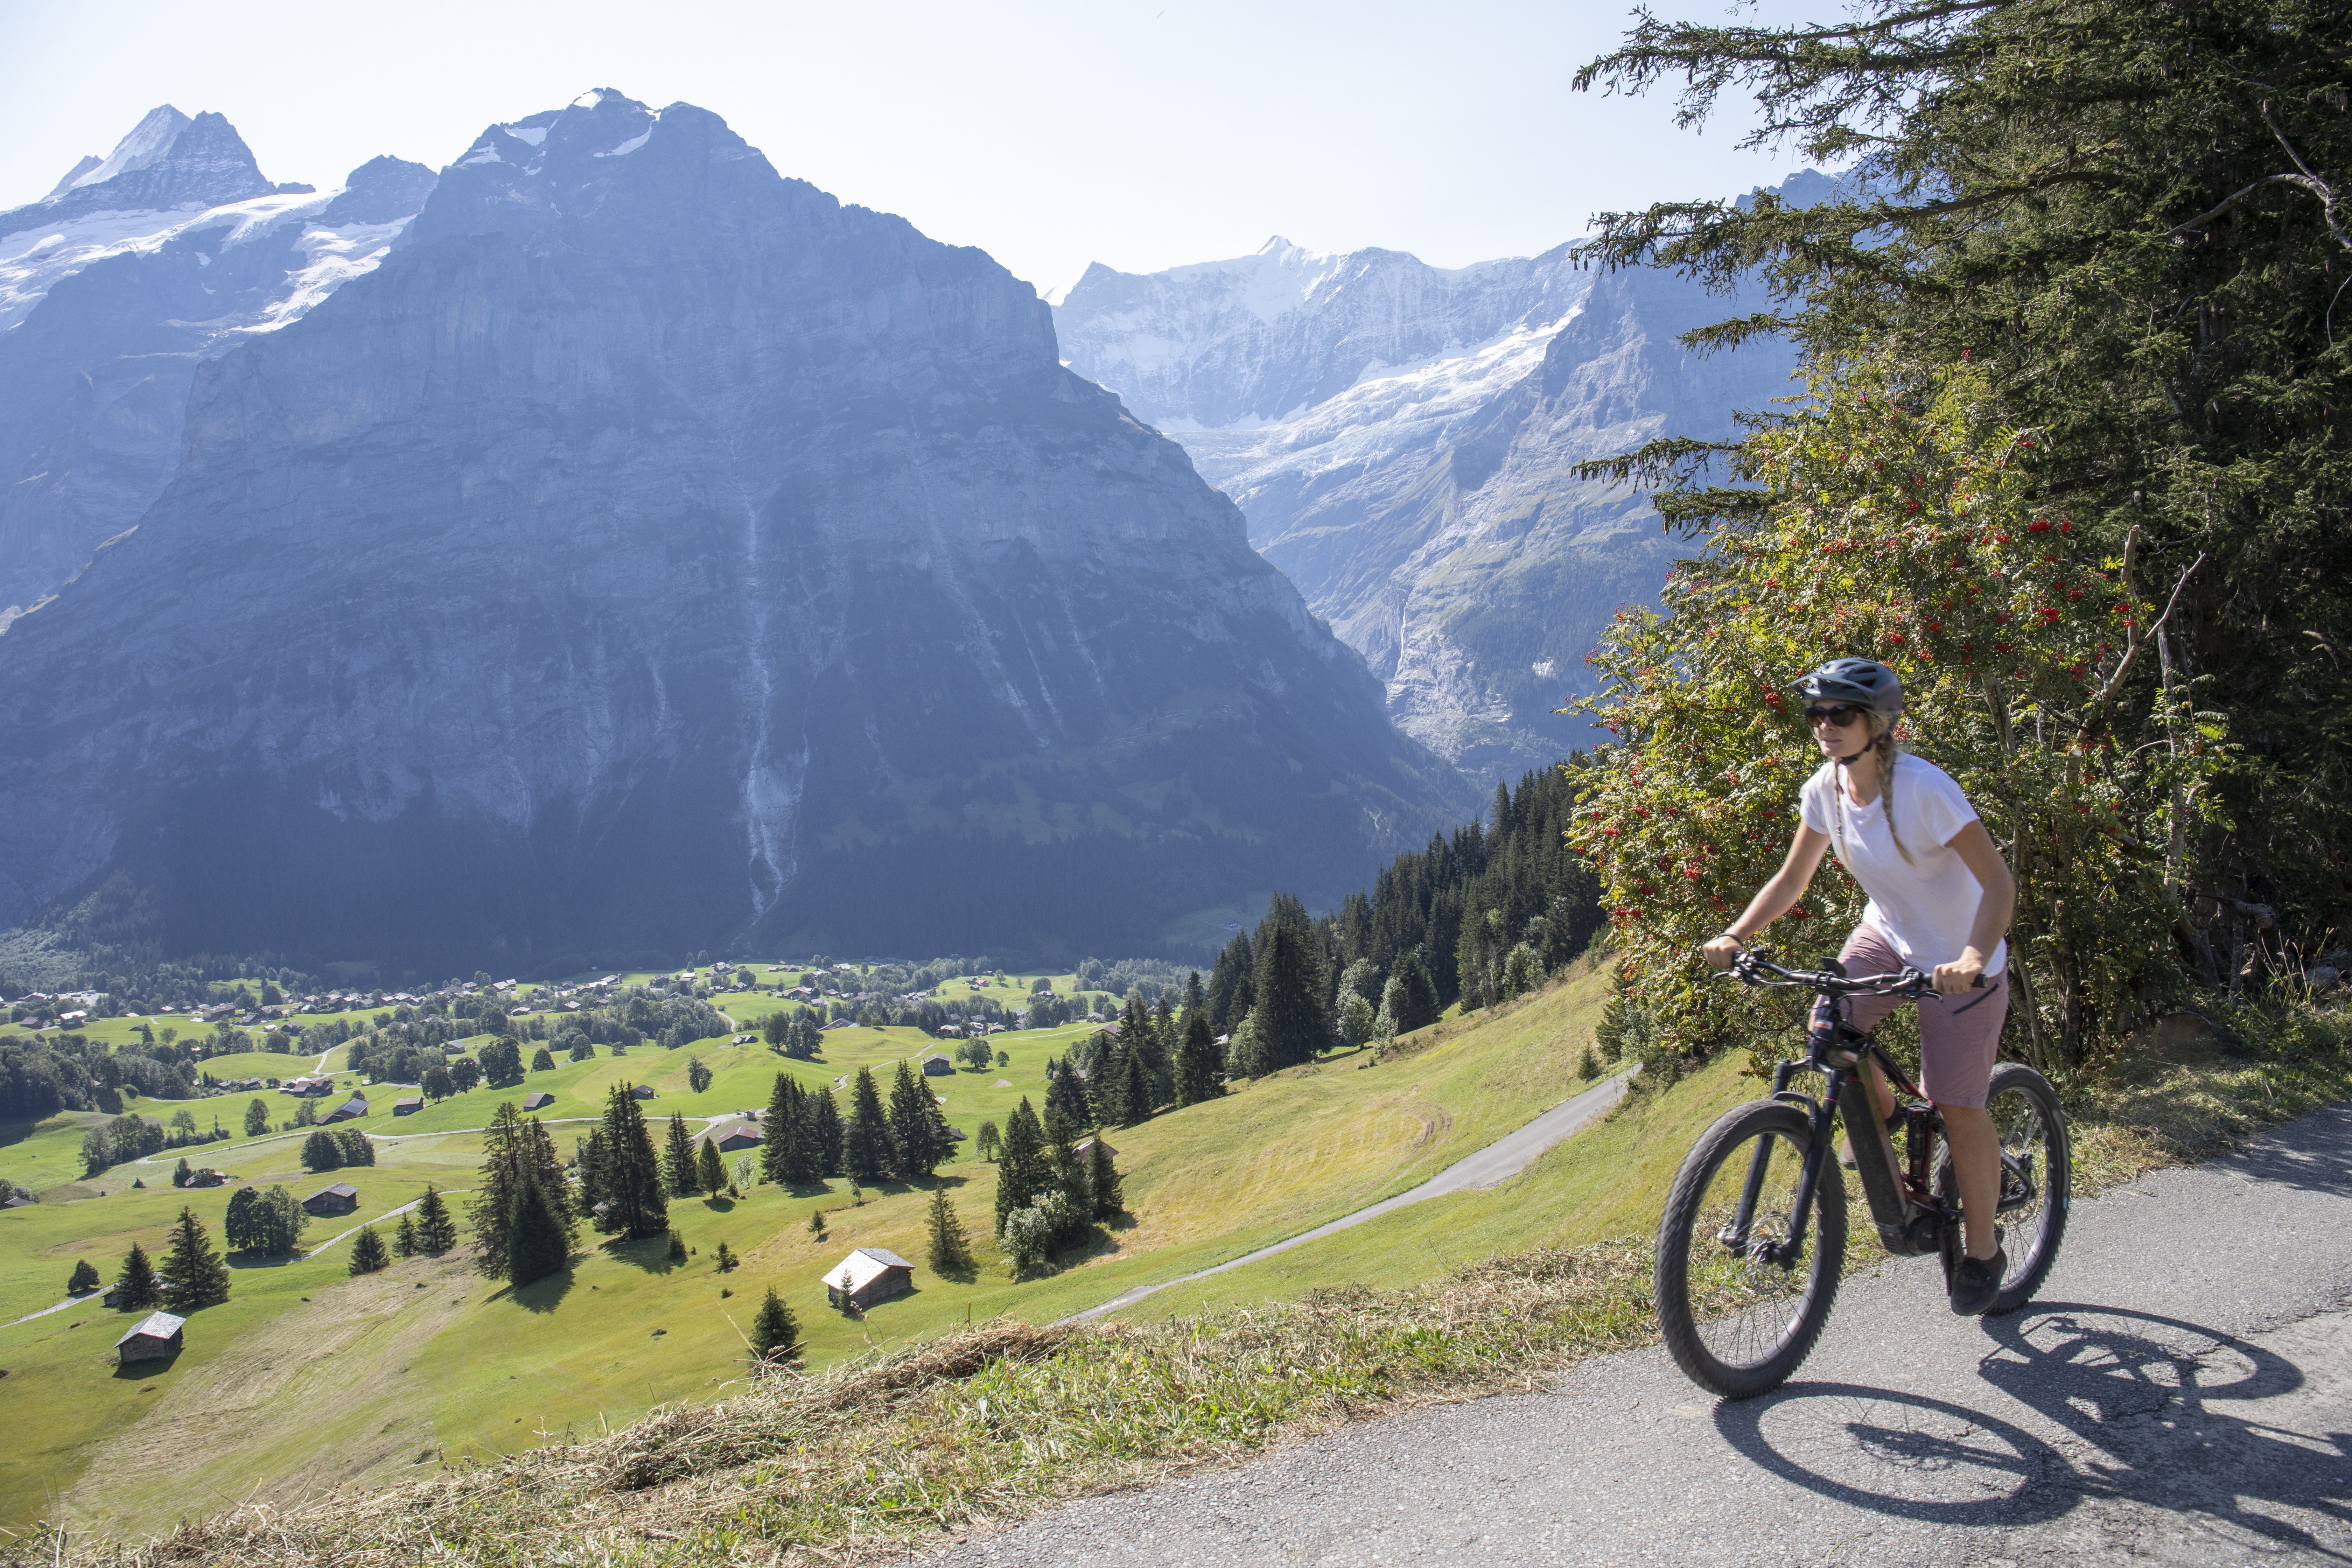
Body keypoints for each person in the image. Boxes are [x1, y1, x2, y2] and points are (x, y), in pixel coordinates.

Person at [1701, 657, 2018, 1314]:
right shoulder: (1825, 791)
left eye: (1840, 714)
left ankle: (1984, 1251)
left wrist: (1971, 956)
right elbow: (1792, 881)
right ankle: (1892, 1113)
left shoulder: (1927, 791)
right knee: (1828, 1029)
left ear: (1878, 724)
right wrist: (1737, 936)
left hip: (1961, 967)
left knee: (1959, 1107)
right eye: (1816, 714)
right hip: (1890, 937)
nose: (1825, 726)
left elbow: (1999, 884)